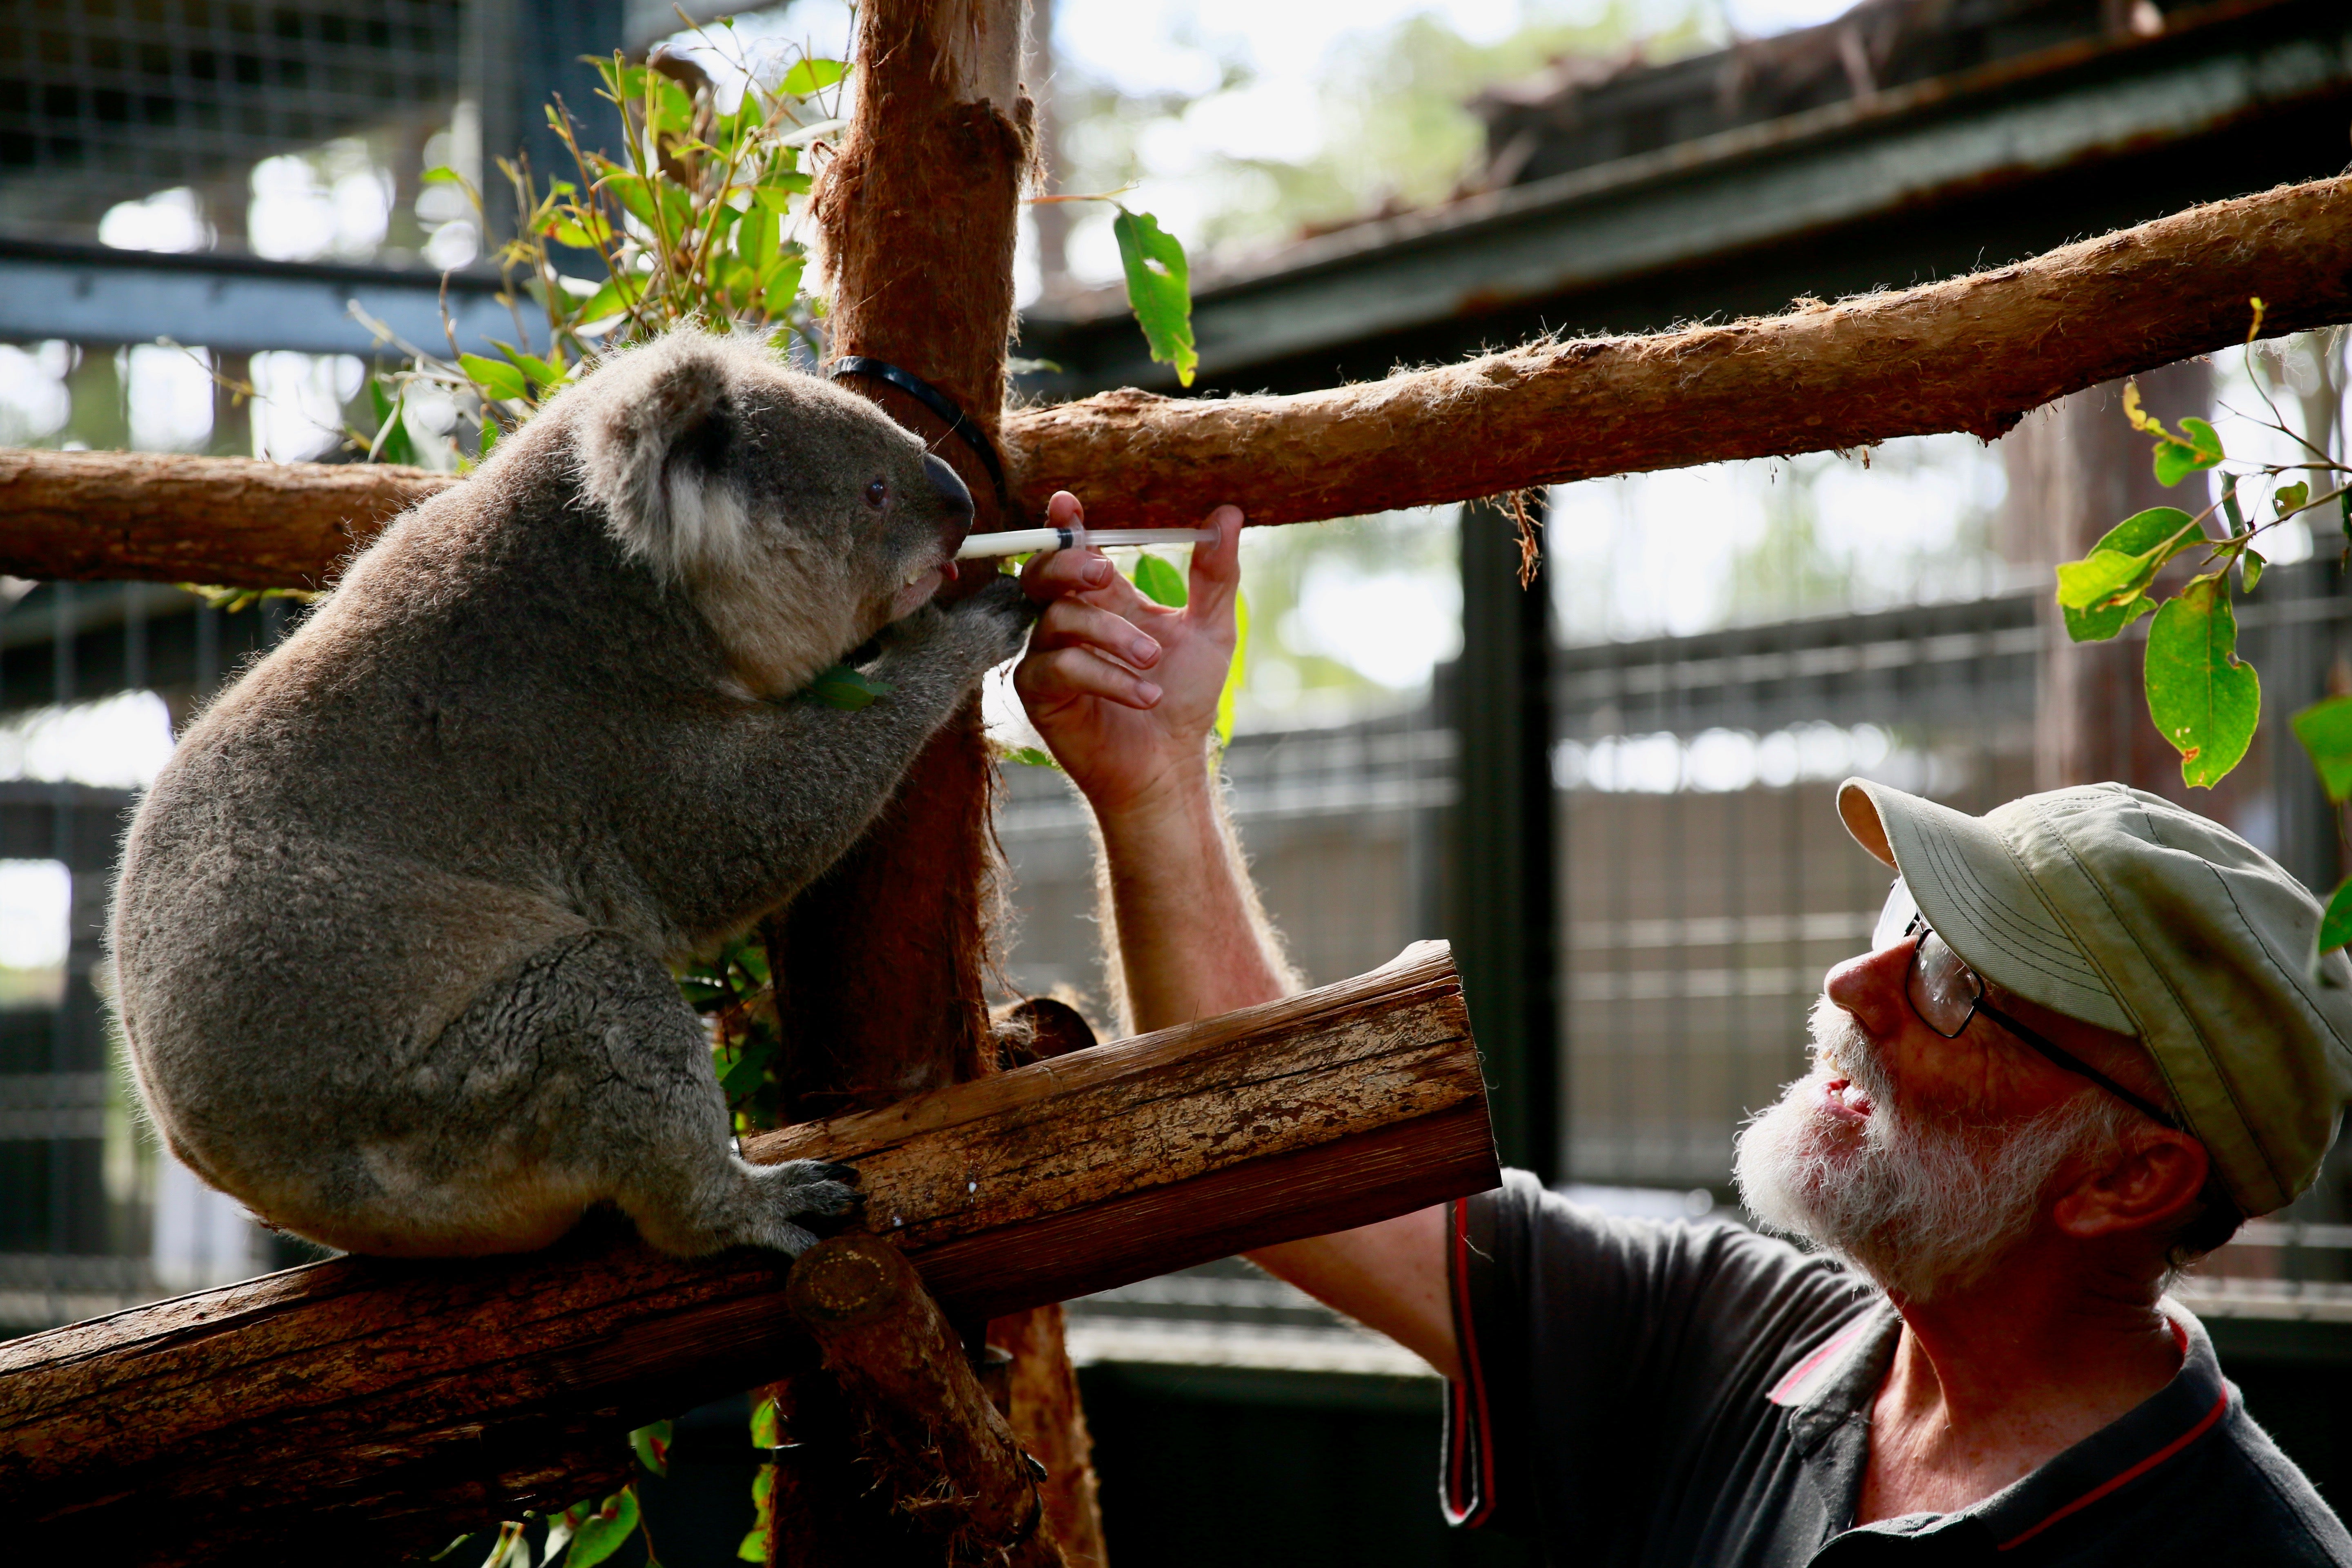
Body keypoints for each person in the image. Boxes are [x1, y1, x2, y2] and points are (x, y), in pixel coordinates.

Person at [1012, 492, 2352, 1566]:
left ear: (2131, 1177)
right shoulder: (1740, 1337)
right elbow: (1288, 1173)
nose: (1851, 985)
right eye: (1899, 926)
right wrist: (1155, 773)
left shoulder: (2238, 1546)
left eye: (1953, 985)